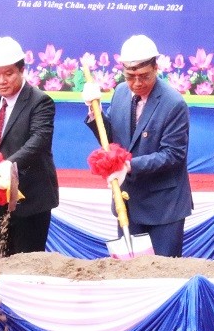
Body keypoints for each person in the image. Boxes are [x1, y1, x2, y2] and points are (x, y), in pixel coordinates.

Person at [82, 34, 192, 257]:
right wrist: (95, 112)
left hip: (163, 207)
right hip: (128, 202)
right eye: (130, 77)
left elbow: (173, 154)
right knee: (129, 270)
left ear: (156, 68)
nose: (137, 83)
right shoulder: (121, 92)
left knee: (162, 271)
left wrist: (129, 166)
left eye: (144, 76)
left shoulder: (174, 104)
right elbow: (112, 138)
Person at [0, 36, 59, 258]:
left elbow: (39, 140)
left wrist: (9, 164)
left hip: (30, 198)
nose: (1, 81)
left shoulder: (40, 101)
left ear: (22, 70)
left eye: (8, 74)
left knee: (24, 265)